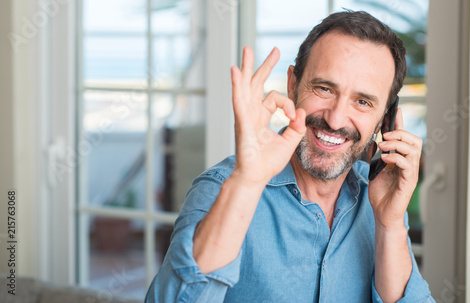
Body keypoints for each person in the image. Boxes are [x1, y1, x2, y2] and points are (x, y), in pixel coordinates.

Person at [146, 10, 434, 303]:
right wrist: (246, 183)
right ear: (293, 85)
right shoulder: (223, 188)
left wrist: (390, 225)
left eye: (362, 102)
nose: (335, 120)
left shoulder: (380, 200)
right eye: (324, 88)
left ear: (384, 121)